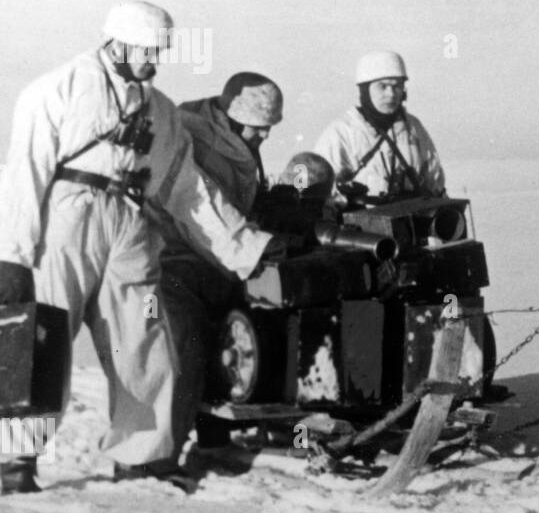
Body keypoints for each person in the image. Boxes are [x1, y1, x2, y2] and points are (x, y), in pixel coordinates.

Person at [0, 2, 278, 493]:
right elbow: (25, 172)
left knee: (142, 340)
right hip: (66, 215)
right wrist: (13, 255)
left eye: (160, 50)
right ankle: (16, 461)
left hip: (130, 222)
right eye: (147, 50)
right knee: (42, 337)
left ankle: (141, 460)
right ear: (118, 42)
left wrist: (244, 245)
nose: (154, 60)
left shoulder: (159, 111)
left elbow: (186, 187)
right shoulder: (60, 88)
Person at [156, 73, 284, 458]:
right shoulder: (189, 138)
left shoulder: (232, 141)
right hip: (171, 259)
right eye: (258, 129)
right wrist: (252, 246)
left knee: (230, 342)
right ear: (233, 117)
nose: (264, 137)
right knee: (185, 352)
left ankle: (214, 439)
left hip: (216, 261)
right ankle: (159, 457)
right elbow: (199, 204)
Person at [314, 51, 445, 201]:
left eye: (397, 86)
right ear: (365, 89)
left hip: (412, 219)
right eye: (382, 86)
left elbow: (435, 182)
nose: (391, 94)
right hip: (361, 221)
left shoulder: (413, 128)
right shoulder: (342, 133)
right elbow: (319, 191)